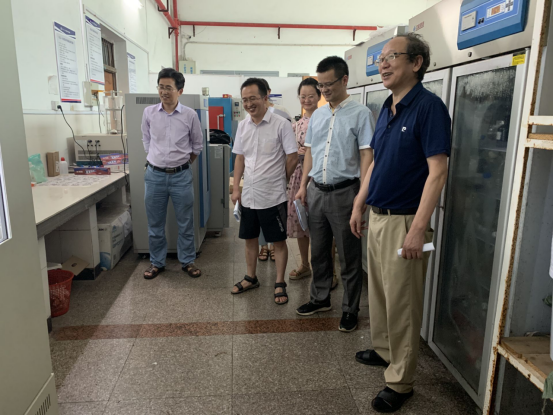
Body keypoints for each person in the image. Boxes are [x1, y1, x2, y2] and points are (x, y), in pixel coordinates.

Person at [350, 33, 450, 412]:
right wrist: (360, 202)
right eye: (381, 59)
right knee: (379, 293)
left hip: (405, 221)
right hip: (378, 216)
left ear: (416, 63)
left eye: (392, 57)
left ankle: (401, 381)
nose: (384, 64)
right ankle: (384, 350)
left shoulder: (429, 108)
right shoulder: (387, 108)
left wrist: (417, 229)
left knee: (402, 303)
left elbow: (437, 172)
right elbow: (376, 162)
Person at [295, 56, 374, 332]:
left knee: (349, 256)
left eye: (329, 84)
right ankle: (320, 298)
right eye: (321, 85)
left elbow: (366, 156)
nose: (324, 90)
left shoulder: (361, 113)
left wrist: (361, 196)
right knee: (318, 251)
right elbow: (310, 152)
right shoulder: (317, 115)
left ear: (344, 80)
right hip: (316, 191)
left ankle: (350, 309)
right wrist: (303, 185)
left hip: (345, 193)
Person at [231, 78, 298, 304]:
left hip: (273, 196)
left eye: (253, 98)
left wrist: (279, 180)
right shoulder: (243, 125)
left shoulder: (281, 124)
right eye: (245, 100)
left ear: (265, 97)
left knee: (278, 241)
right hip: (249, 194)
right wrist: (236, 188)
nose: (249, 104)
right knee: (250, 238)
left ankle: (280, 282)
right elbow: (240, 158)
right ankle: (251, 277)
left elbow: (292, 157)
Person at [141, 68, 203, 280]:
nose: (164, 91)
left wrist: (181, 164)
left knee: (185, 222)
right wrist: (155, 159)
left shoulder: (190, 115)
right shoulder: (149, 113)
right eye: (161, 87)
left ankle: (187, 261)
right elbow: (146, 139)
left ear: (180, 91)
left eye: (168, 87)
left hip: (181, 177)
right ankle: (157, 262)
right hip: (154, 176)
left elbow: (197, 145)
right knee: (155, 223)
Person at [257, 79, 294, 262]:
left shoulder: (282, 112)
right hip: (258, 174)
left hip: (276, 171)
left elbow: (289, 146)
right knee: (258, 214)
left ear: (268, 92)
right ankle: (263, 247)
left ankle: (273, 246)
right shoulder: (252, 114)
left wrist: (283, 177)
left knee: (274, 215)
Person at [287, 77, 320, 281]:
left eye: (311, 96)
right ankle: (304, 264)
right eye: (303, 96)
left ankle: (326, 270)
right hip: (298, 176)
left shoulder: (325, 119)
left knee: (320, 224)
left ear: (319, 96)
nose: (306, 100)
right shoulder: (296, 124)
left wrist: (310, 152)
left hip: (318, 176)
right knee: (300, 221)